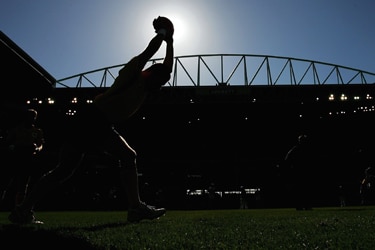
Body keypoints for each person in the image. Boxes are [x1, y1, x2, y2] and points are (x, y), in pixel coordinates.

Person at [8, 16, 174, 224]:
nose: (162, 84)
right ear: (151, 73)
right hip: (94, 120)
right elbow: (149, 52)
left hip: (92, 120)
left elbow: (167, 67)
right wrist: (162, 34)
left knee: (63, 171)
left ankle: (23, 210)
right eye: (161, 80)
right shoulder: (134, 73)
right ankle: (135, 208)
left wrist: (171, 44)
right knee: (127, 155)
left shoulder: (146, 87)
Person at [1, 108, 44, 209]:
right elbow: (7, 142)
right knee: (6, 182)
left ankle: (19, 208)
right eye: (29, 116)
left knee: (23, 185)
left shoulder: (37, 131)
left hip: (28, 159)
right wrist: (11, 146)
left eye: (33, 117)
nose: (31, 119)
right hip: (15, 158)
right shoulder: (16, 130)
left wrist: (37, 149)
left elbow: (40, 144)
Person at [283, 134, 315, 210]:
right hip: (299, 172)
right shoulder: (297, 149)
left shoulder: (303, 150)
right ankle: (302, 205)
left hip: (303, 172)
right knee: (301, 189)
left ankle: (304, 205)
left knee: (304, 189)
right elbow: (287, 160)